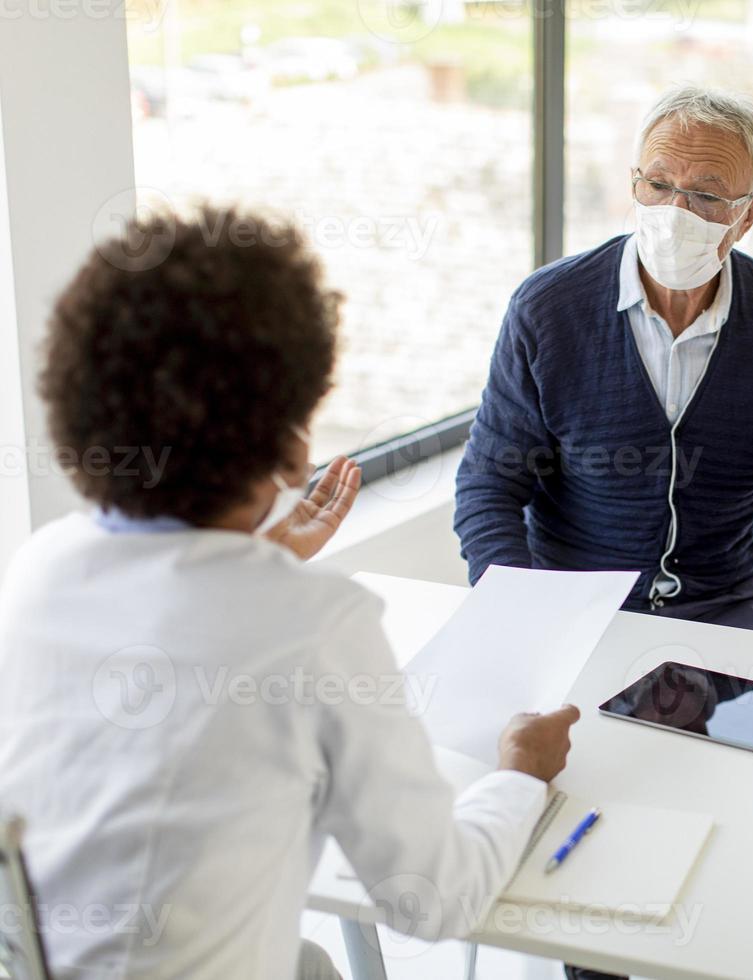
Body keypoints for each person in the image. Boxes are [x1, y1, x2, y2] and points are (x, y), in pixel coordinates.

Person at [0, 208, 581, 979]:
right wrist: (519, 776)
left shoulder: (40, 569)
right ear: (293, 441)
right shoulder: (313, 624)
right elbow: (431, 900)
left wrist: (260, 556)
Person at [455, 85, 753, 638]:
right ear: (635, 183)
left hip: (730, 605)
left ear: (748, 216)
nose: (675, 212)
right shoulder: (548, 309)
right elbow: (489, 487)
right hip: (573, 607)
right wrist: (520, 607)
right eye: (658, 185)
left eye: (707, 197)